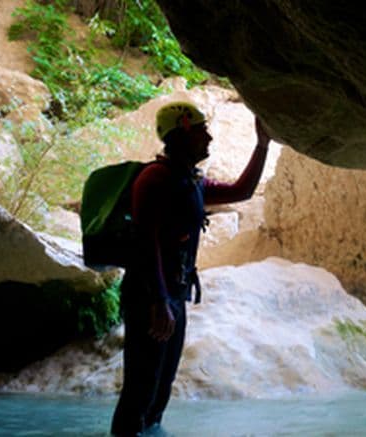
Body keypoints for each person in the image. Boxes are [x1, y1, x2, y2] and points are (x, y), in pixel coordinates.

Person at [111, 102, 271, 436]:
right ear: (182, 130)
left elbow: (242, 191)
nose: (209, 138)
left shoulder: (191, 181)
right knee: (140, 388)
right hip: (150, 298)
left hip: (172, 297)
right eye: (202, 130)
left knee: (160, 389)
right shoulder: (154, 178)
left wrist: (262, 145)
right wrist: (159, 302)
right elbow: (145, 241)